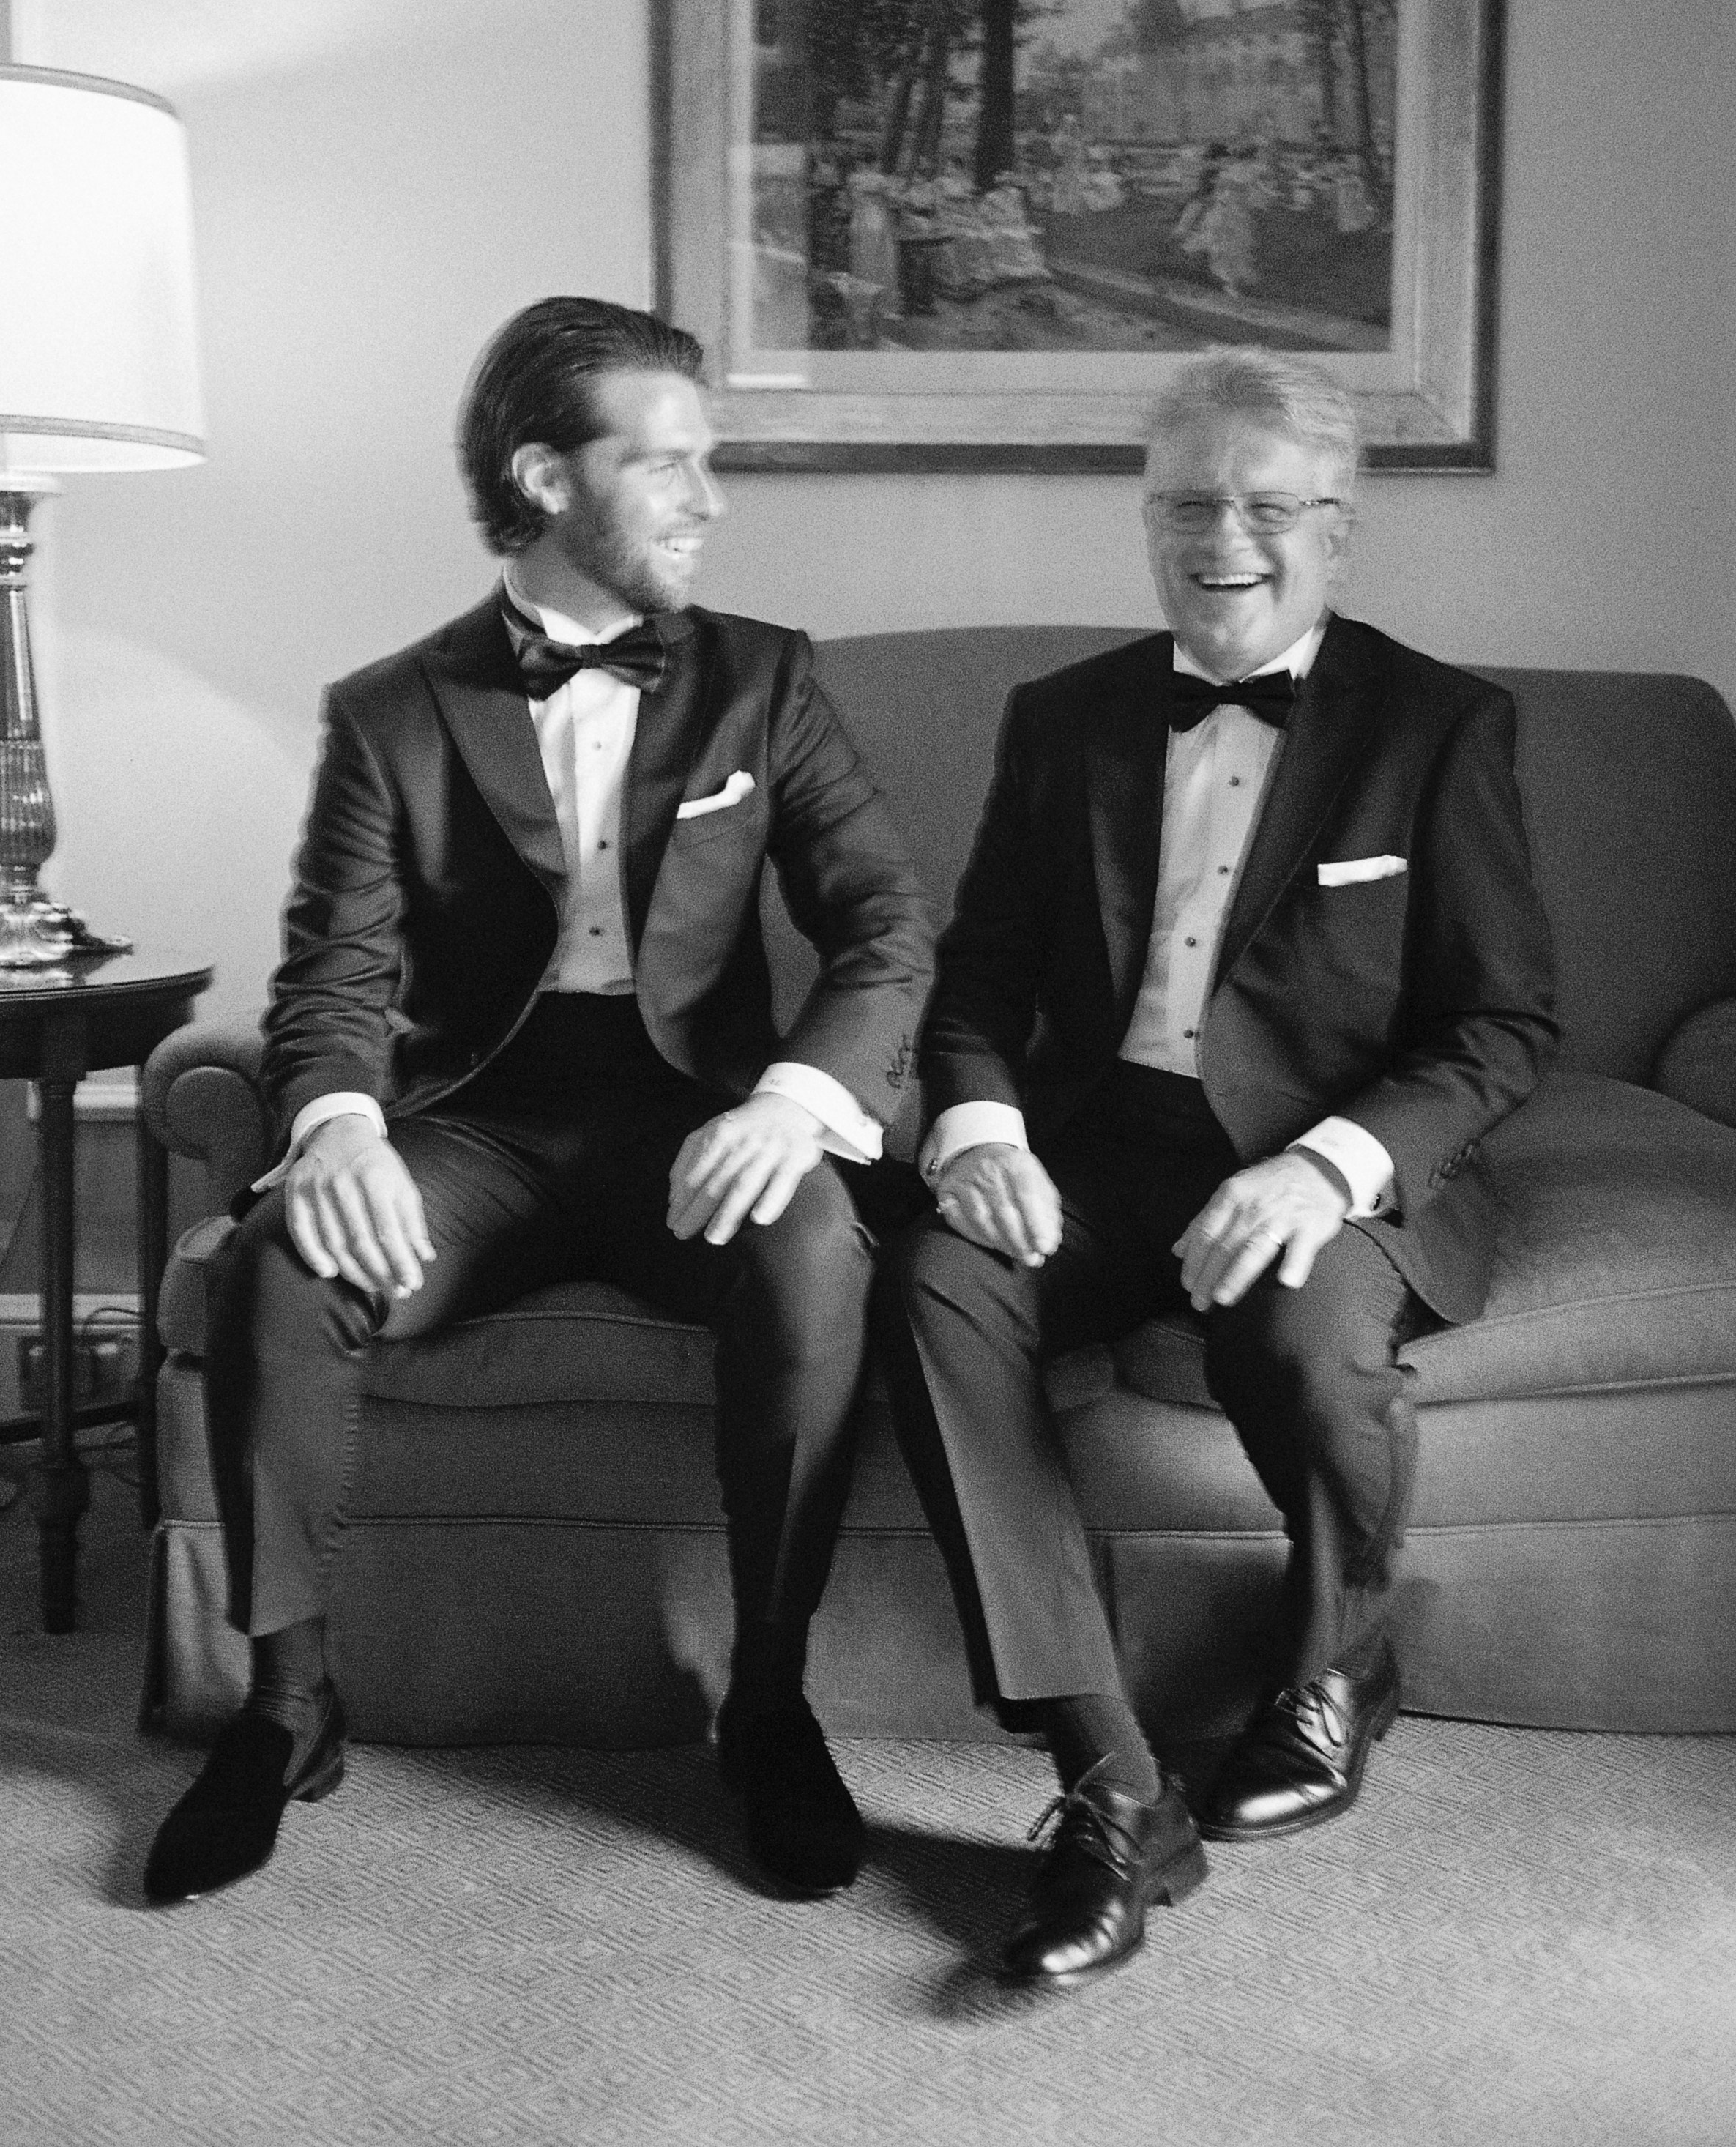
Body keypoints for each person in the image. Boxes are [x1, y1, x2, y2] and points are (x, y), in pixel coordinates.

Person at [145, 297, 933, 1907]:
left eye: (709, 462)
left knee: (813, 1248)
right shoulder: (391, 709)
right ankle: (285, 1705)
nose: (709, 500)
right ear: (546, 477)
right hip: (479, 1121)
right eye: (667, 465)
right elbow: (336, 971)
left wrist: (795, 1103)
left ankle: (768, 1706)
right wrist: (338, 1126)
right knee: (283, 1258)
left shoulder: (764, 679)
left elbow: (883, 926)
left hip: (694, 1119)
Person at [878, 345, 1557, 1990]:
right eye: (1186, 504)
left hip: (1320, 1147)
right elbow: (975, 983)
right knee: (931, 1281)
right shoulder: (1062, 718)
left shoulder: (1438, 724)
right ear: (1145, 520)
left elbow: (1501, 1021)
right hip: (1100, 1139)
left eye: (1265, 506)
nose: (1222, 539)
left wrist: (1325, 1167)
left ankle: (1335, 1669)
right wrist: (977, 1128)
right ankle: (1109, 1779)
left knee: (1297, 1333)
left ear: (1338, 527)